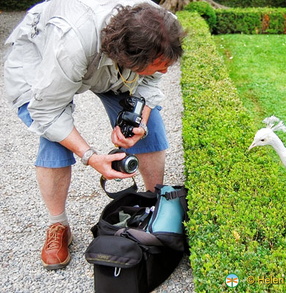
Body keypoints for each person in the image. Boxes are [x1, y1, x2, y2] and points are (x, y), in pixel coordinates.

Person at [3, 0, 185, 270]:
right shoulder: (71, 44)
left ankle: (153, 206)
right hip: (44, 66)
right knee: (55, 140)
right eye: (159, 65)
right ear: (129, 60)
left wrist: (141, 124)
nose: (165, 71)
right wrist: (90, 156)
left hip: (113, 58)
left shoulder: (163, 29)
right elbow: (48, 112)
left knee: (151, 125)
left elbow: (152, 80)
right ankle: (58, 225)